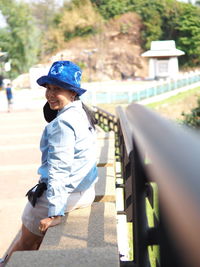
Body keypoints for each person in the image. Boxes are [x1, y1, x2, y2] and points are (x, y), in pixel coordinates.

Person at [0, 60, 98, 265]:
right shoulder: (81, 112)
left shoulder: (62, 123)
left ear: (72, 92)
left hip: (63, 197)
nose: (51, 94)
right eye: (48, 88)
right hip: (84, 191)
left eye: (57, 89)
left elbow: (59, 170)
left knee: (24, 245)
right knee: (35, 242)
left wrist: (55, 213)